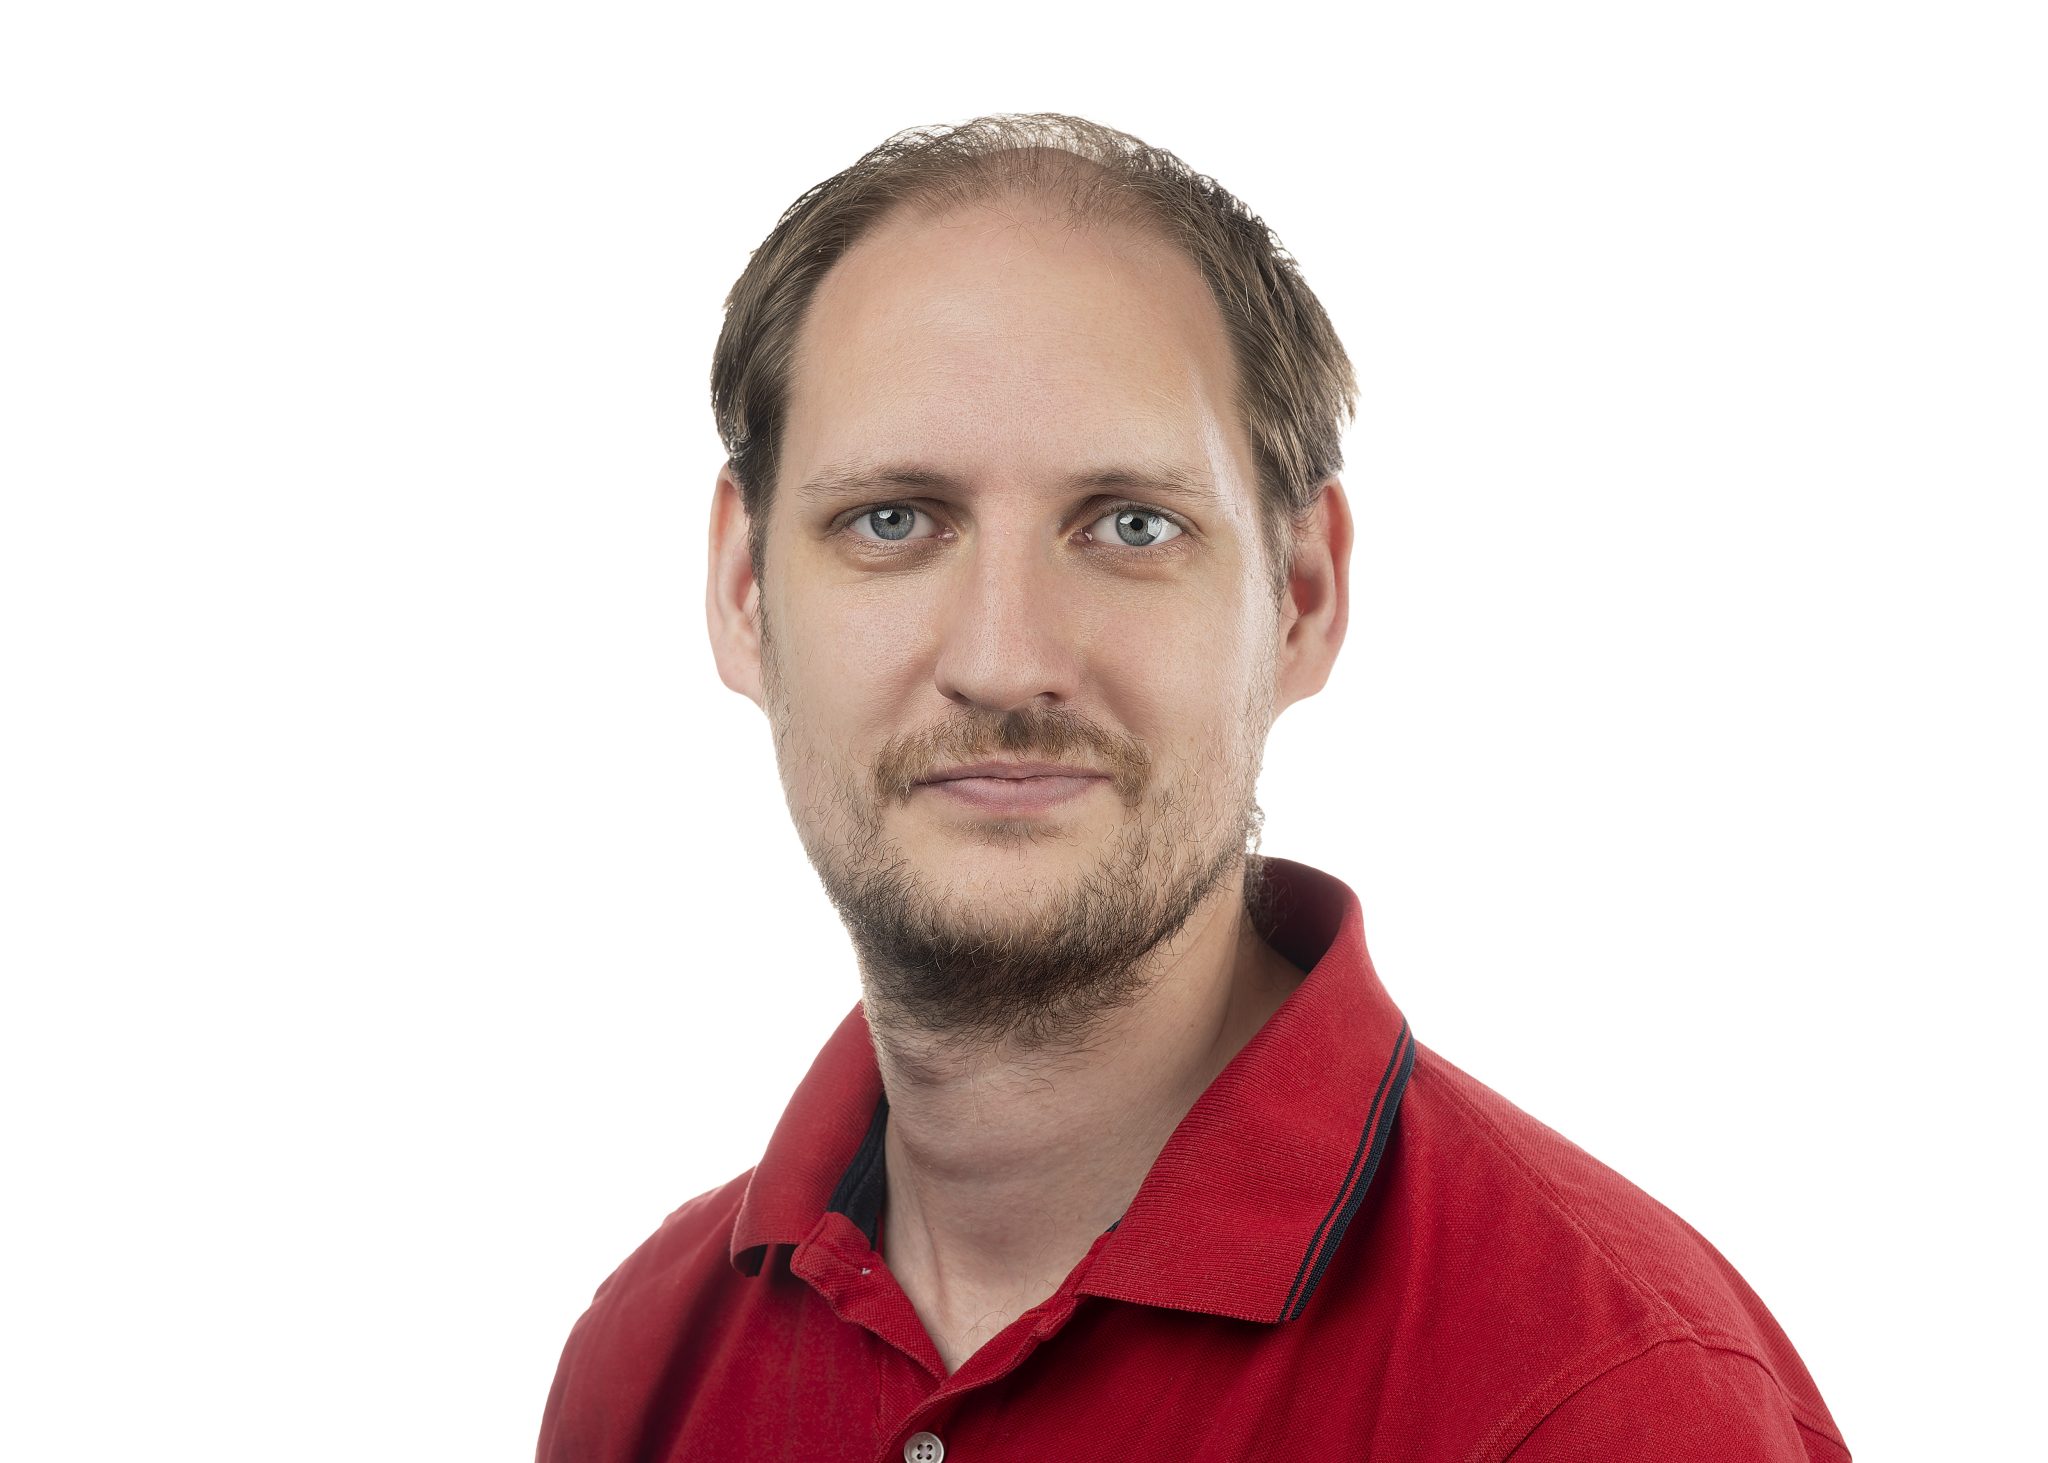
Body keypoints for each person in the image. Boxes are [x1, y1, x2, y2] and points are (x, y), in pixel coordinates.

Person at [536, 112, 1851, 1462]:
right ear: (743, 592)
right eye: (892, 520)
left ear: (1302, 597)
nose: (1005, 660)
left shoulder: (1608, 1403)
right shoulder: (643, 1371)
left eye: (1131, 526)